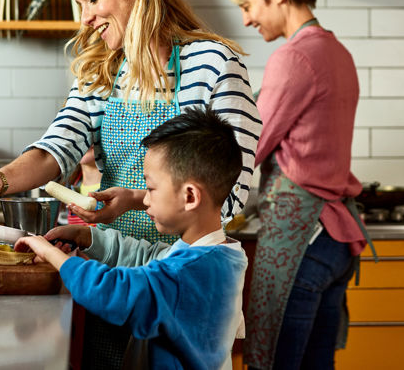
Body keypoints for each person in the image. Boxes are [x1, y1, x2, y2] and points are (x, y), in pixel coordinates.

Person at [0, 0, 261, 366]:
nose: (84, 18)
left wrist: (138, 199)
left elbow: (229, 190)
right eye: (79, 4)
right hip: (109, 272)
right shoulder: (101, 71)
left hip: (183, 282)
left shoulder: (216, 64)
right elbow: (58, 147)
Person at [225, 0, 372, 370]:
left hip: (301, 239)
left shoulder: (293, 58)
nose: (246, 18)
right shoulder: (337, 52)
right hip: (335, 242)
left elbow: (250, 144)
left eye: (248, 4)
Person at [15, 106, 248, 370]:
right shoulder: (219, 254)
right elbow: (147, 256)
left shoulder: (186, 272)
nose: (144, 200)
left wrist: (49, 253)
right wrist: (88, 236)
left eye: (150, 188)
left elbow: (111, 290)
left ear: (190, 196)